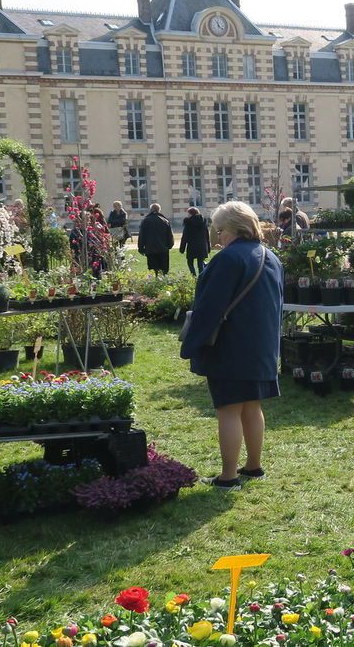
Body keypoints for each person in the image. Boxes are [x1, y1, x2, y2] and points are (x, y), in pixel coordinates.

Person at [179, 201, 283, 490]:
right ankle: (253, 466)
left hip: (231, 345)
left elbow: (209, 307)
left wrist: (191, 344)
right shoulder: (271, 256)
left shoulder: (227, 259)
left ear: (232, 229)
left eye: (219, 230)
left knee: (228, 410)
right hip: (261, 346)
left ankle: (228, 476)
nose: (217, 237)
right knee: (252, 406)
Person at [137, 203, 174, 275]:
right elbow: (170, 235)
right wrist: (170, 245)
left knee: (154, 270)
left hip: (151, 249)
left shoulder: (145, 221)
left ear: (150, 210)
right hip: (163, 249)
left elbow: (142, 235)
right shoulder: (165, 221)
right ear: (159, 210)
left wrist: (140, 248)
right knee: (164, 270)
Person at [180, 206, 211, 276]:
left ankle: (193, 275)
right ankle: (201, 276)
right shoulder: (203, 222)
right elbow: (207, 236)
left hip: (192, 246)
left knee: (190, 262)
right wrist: (208, 247)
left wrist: (182, 248)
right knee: (200, 263)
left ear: (190, 214)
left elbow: (184, 237)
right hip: (202, 245)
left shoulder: (188, 223)